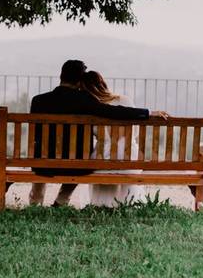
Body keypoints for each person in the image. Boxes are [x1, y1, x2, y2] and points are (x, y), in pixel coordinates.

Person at [28, 59, 167, 206]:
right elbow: (112, 111)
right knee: (79, 159)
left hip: (42, 164)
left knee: (42, 156)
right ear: (80, 81)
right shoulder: (84, 99)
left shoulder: (38, 100)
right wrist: (148, 112)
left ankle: (35, 202)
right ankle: (61, 200)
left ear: (61, 76)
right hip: (75, 166)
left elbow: (36, 134)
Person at [80, 70, 145, 206]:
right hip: (130, 160)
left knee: (100, 157)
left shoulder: (91, 108)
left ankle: (103, 205)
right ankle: (129, 205)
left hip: (102, 161)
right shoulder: (126, 100)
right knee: (128, 152)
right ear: (103, 84)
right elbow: (136, 133)